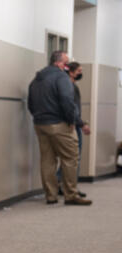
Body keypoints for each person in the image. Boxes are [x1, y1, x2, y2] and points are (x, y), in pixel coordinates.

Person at [27, 50, 92, 205]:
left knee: (47, 160)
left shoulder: (36, 79)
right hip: (59, 124)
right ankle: (71, 195)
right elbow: (66, 100)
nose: (68, 66)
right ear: (58, 63)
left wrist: (38, 117)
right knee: (70, 158)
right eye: (66, 62)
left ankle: (51, 196)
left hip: (40, 124)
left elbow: (30, 103)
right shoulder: (61, 77)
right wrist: (72, 120)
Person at [56, 61, 90, 198]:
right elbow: (72, 108)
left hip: (73, 123)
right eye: (79, 71)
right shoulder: (69, 87)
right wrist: (81, 124)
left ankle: (61, 183)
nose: (80, 73)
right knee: (74, 157)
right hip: (72, 125)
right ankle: (70, 187)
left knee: (69, 158)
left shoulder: (70, 85)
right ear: (71, 72)